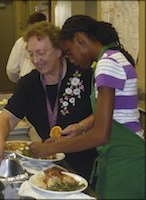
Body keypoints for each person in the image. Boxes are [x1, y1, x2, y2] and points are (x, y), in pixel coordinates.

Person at [29, 15, 145, 199]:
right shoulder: (114, 57)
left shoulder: (106, 64)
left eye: (69, 51)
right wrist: (81, 127)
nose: (71, 59)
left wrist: (52, 148)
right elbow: (111, 114)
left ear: (79, 39)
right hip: (122, 157)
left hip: (124, 161)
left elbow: (101, 134)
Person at [0, 21, 98, 181]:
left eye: (41, 53)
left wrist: (81, 126)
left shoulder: (84, 75)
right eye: (31, 54)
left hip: (87, 163)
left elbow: (103, 114)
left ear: (59, 50)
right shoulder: (29, 83)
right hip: (50, 165)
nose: (36, 60)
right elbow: (7, 118)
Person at [6, 12, 47, 83]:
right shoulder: (49, 41)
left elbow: (11, 69)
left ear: (29, 25)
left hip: (27, 78)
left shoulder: (21, 42)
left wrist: (19, 81)